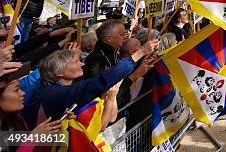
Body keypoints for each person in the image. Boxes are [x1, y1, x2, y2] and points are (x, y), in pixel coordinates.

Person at [21, 40, 158, 130]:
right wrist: (140, 53)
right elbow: (99, 82)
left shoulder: (65, 88)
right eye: (76, 62)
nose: (83, 64)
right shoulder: (52, 93)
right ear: (59, 72)